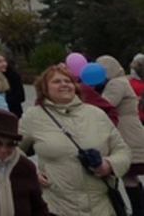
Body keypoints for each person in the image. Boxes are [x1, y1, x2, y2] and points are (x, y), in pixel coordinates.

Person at [19, 64, 131, 216]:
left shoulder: (96, 114)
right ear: (44, 88)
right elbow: (11, 149)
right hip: (57, 207)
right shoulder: (33, 117)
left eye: (68, 81)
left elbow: (123, 151)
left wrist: (109, 165)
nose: (64, 84)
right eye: (56, 81)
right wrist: (30, 172)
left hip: (100, 207)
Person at [97, 55, 144, 214]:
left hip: (126, 132)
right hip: (130, 130)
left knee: (126, 173)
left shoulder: (116, 84)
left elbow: (105, 104)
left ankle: (135, 210)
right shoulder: (122, 81)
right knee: (129, 175)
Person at [0, 51, 27, 117]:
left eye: (4, 61)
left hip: (12, 112)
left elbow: (21, 97)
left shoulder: (13, 76)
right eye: (0, 62)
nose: (4, 64)